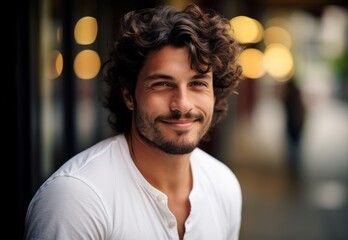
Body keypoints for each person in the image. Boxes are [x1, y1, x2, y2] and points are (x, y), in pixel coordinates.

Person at [24, 3, 243, 240]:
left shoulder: (224, 185)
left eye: (197, 84)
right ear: (129, 95)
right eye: (162, 84)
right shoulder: (75, 199)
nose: (182, 105)